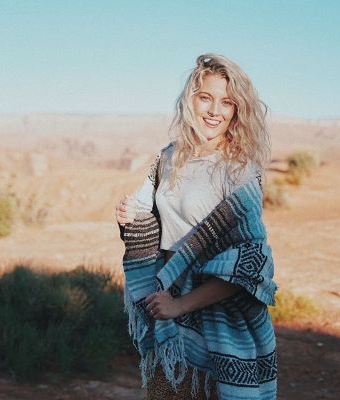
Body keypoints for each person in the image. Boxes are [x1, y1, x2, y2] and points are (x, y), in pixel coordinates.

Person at [116, 53, 278, 400]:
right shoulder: (169, 156)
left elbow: (249, 265)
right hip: (167, 308)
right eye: (206, 97)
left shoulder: (238, 170)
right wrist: (131, 218)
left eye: (227, 102)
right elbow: (154, 220)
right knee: (165, 392)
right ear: (191, 99)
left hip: (217, 318)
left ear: (238, 110)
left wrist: (181, 305)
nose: (214, 111)